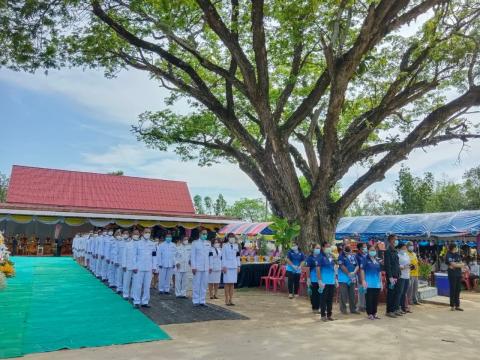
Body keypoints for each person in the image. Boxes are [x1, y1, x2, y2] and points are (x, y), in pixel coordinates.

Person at [131, 228, 157, 308]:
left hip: (148, 268)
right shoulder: (137, 243)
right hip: (139, 267)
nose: (147, 234)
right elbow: (133, 256)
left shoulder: (152, 244)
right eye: (146, 232)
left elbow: (154, 256)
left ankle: (145, 302)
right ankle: (136, 301)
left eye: (149, 232)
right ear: (142, 233)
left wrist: (154, 266)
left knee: (147, 286)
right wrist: (134, 266)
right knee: (137, 285)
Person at [360, 245, 382, 320]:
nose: (373, 251)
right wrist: (363, 280)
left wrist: (381, 282)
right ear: (368, 251)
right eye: (371, 250)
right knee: (369, 299)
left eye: (374, 250)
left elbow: (379, 272)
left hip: (376, 284)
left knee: (375, 299)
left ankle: (374, 313)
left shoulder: (377, 260)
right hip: (368, 283)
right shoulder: (365, 259)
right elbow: (362, 270)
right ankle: (369, 313)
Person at [338, 244, 361, 315]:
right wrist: (348, 273)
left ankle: (353, 309)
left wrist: (354, 272)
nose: (348, 248)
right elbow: (342, 266)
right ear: (343, 248)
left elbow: (357, 265)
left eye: (349, 246)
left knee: (352, 294)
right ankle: (343, 309)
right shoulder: (341, 256)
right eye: (345, 246)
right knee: (343, 294)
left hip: (352, 278)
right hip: (343, 278)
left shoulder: (353, 256)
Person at [191, 229, 211, 306]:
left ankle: (202, 300)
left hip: (206, 267)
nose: (205, 235)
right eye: (203, 234)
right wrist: (193, 267)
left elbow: (209, 256)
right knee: (197, 284)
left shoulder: (208, 243)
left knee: (204, 284)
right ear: (200, 234)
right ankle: (195, 300)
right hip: (197, 267)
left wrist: (210, 266)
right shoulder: (195, 243)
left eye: (206, 234)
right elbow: (193, 256)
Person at [384, 234, 401, 318]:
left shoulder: (395, 251)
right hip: (391, 276)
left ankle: (394, 309)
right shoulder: (387, 251)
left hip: (397, 275)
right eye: (395, 239)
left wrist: (399, 274)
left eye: (397, 239)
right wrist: (390, 277)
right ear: (391, 240)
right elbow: (388, 265)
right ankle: (389, 311)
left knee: (396, 293)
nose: (396, 241)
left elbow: (396, 264)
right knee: (391, 293)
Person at [318, 241, 336, 321]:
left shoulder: (332, 257)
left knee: (330, 299)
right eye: (327, 247)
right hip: (324, 282)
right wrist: (320, 281)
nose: (329, 248)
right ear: (323, 248)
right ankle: (323, 315)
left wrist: (335, 279)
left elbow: (334, 269)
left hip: (331, 282)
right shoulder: (320, 257)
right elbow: (318, 269)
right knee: (323, 299)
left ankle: (329, 315)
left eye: (329, 247)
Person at [221, 233, 241, 306]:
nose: (232, 238)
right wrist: (224, 266)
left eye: (233, 237)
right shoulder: (224, 245)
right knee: (227, 283)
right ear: (228, 238)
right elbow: (223, 257)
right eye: (230, 237)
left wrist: (238, 266)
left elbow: (238, 256)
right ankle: (226, 299)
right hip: (227, 267)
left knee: (232, 284)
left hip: (234, 266)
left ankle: (231, 299)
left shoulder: (236, 246)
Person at [445, 243, 465, 311]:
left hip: (458, 274)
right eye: (456, 247)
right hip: (452, 275)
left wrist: (457, 265)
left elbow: (462, 263)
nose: (457, 248)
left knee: (458, 290)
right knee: (453, 289)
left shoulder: (457, 255)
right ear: (453, 248)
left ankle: (457, 305)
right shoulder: (448, 254)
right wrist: (458, 265)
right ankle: (452, 305)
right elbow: (453, 264)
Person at [305, 244, 321, 313]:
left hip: (320, 279)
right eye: (317, 248)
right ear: (313, 249)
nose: (318, 249)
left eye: (319, 248)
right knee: (314, 294)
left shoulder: (321, 257)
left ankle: (319, 307)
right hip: (313, 279)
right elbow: (308, 269)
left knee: (319, 294)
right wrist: (308, 279)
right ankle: (315, 308)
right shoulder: (310, 258)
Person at [397, 243, 411, 314]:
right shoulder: (397, 255)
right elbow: (397, 266)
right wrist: (403, 267)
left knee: (404, 292)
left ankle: (403, 307)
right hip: (401, 276)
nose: (404, 249)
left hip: (407, 275)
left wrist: (410, 266)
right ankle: (398, 307)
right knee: (400, 292)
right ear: (399, 248)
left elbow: (409, 264)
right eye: (403, 248)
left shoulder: (406, 255)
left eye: (405, 248)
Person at [122, 229, 136, 300]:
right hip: (128, 265)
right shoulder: (128, 244)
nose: (136, 235)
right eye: (134, 234)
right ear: (132, 235)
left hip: (137, 267)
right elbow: (124, 255)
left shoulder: (140, 244)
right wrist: (124, 265)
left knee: (135, 282)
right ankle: (125, 294)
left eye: (137, 234)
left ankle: (133, 295)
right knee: (126, 281)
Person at [406, 241, 421, 305]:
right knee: (410, 288)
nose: (412, 247)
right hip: (410, 273)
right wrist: (412, 266)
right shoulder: (406, 254)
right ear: (407, 247)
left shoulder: (414, 254)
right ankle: (410, 300)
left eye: (412, 245)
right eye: (410, 246)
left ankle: (415, 300)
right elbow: (407, 263)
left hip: (416, 273)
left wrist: (419, 262)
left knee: (415, 287)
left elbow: (416, 262)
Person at [356, 242, 368, 312]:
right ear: (360, 248)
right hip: (360, 275)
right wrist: (360, 277)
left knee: (366, 291)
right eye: (365, 247)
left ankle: (365, 305)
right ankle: (360, 306)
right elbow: (357, 267)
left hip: (367, 275)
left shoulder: (366, 255)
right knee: (361, 291)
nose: (366, 248)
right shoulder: (357, 256)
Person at [115, 229, 127, 294]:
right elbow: (116, 252)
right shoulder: (119, 242)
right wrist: (116, 261)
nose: (125, 235)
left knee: (125, 277)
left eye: (127, 234)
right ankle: (119, 288)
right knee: (119, 275)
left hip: (127, 263)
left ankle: (124, 289)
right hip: (120, 261)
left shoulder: (129, 242)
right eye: (124, 233)